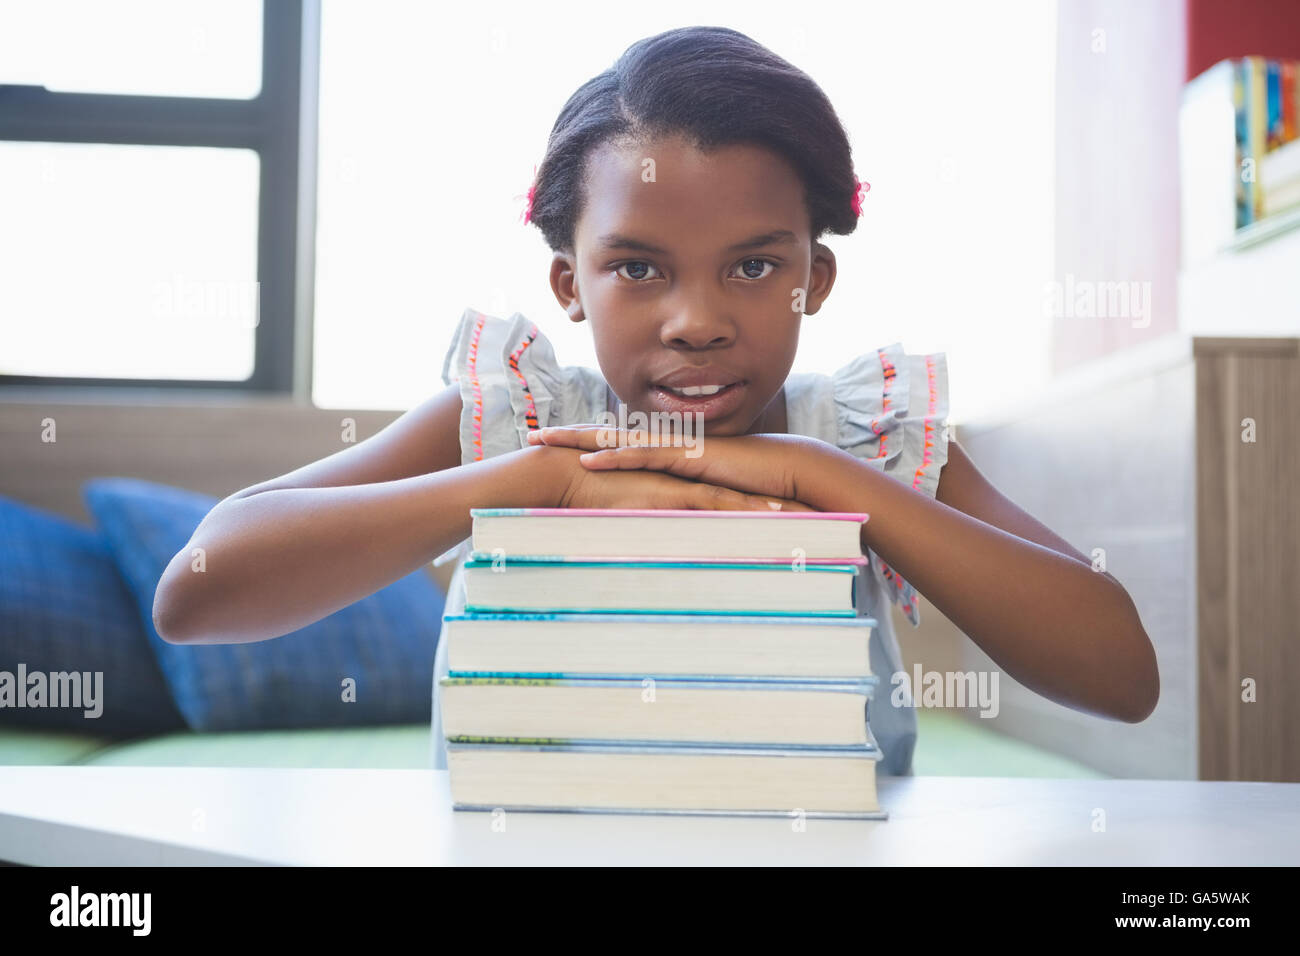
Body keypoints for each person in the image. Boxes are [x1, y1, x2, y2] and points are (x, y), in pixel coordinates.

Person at [153, 26, 1159, 778]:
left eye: (754, 266)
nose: (696, 320)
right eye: (637, 267)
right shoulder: (513, 423)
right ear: (568, 286)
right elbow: (196, 590)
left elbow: (1121, 675)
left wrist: (824, 479)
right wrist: (541, 480)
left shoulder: (861, 437)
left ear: (815, 276)